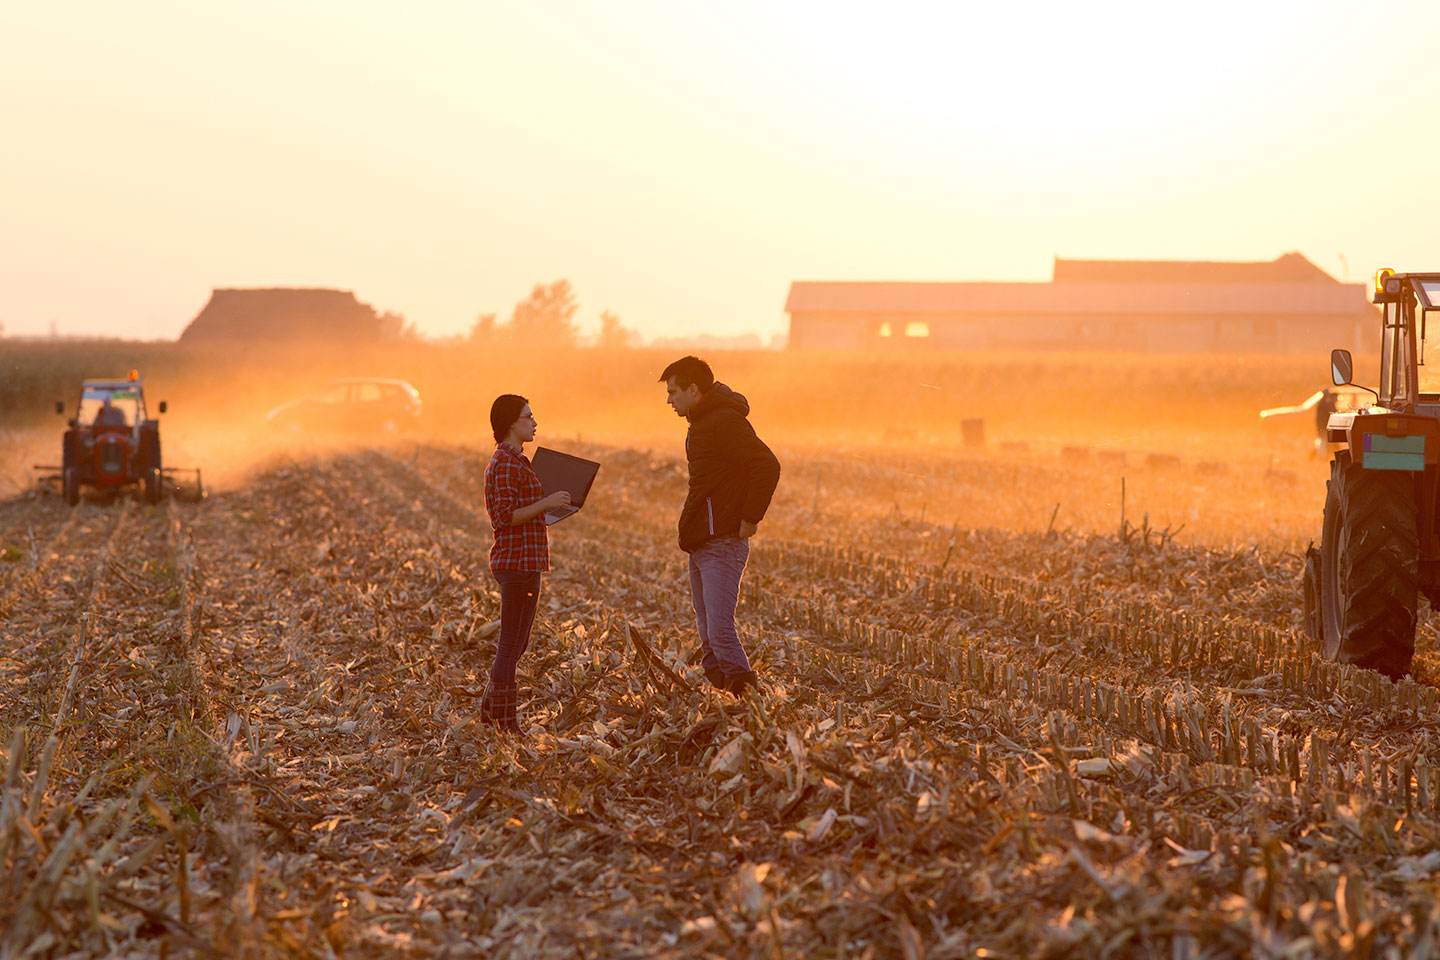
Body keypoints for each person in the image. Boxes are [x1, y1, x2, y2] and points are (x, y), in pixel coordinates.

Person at [660, 356, 781, 696]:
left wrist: (750, 518)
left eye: (673, 392)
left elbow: (767, 465)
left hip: (722, 542)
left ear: (693, 389)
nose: (669, 400)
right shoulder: (702, 422)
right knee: (708, 633)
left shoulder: (723, 421)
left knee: (721, 631)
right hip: (702, 542)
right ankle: (730, 700)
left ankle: (750, 702)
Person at [481, 394, 570, 735]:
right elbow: (503, 517)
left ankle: (492, 713)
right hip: (516, 564)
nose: (534, 422)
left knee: (517, 644)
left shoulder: (518, 461)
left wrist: (553, 507)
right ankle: (506, 723)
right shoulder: (504, 464)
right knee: (509, 644)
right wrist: (545, 502)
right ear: (510, 423)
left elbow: (524, 511)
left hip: (527, 561)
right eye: (528, 417)